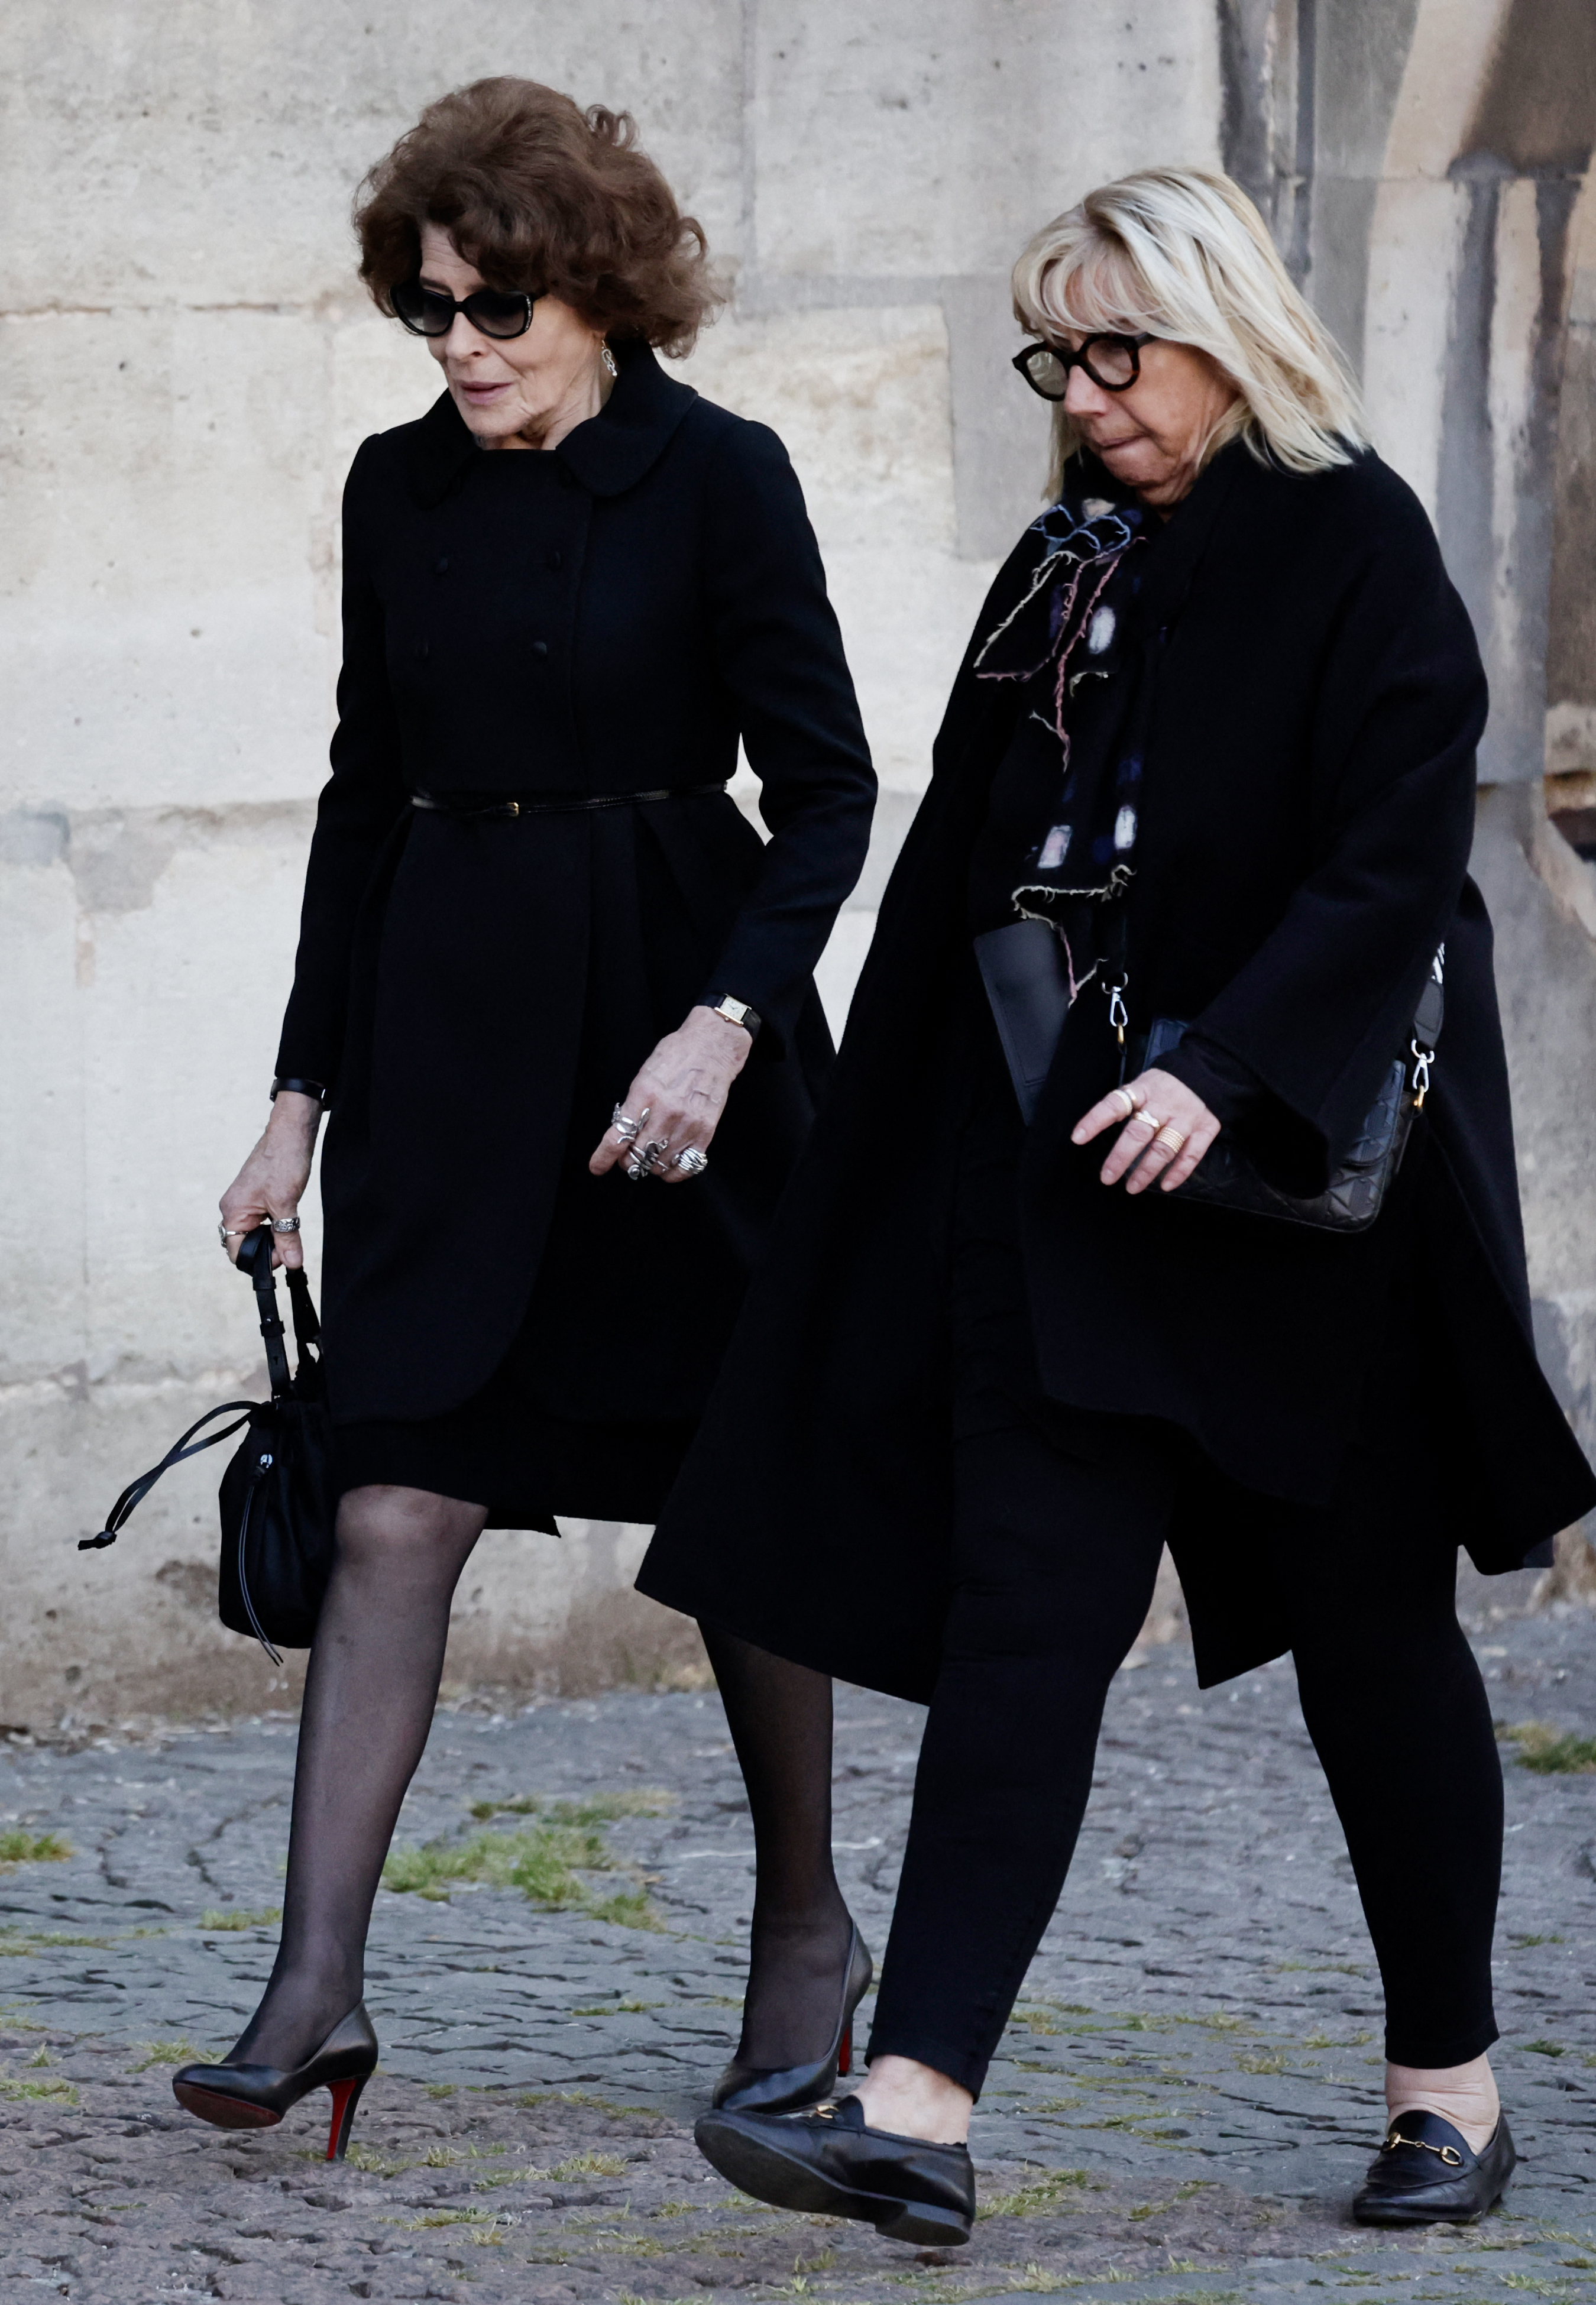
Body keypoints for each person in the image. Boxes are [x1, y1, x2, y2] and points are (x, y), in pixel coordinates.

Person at [639, 167, 1596, 2245]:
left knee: (1371, 1644)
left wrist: (1227, 1066)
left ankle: (1448, 2083)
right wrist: (858, 1147)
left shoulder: (1355, 539)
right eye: (1052, 359)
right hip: (1064, 1191)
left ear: (1223, 328)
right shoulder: (1055, 563)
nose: (1083, 398)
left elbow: (1396, 852)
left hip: (1303, 1215)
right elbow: (954, 876)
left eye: (1113, 352)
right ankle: (915, 2109)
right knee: (1025, 1626)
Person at [172, 77, 875, 2160]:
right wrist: (296, 1098)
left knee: (733, 1507)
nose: (459, 348)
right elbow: (356, 798)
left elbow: (825, 790)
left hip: (677, 1042)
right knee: (394, 1494)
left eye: (492, 310)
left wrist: (727, 1021)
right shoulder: (398, 493)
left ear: (597, 291)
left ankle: (810, 1939)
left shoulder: (721, 477)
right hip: (449, 1047)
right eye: (427, 314)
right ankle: (314, 1991)